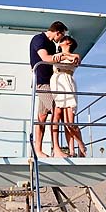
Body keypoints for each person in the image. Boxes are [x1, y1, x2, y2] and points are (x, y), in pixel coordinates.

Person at [29, 21, 69, 158]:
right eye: (62, 36)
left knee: (42, 116)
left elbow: (55, 61)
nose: (61, 39)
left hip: (50, 83)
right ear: (57, 32)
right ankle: (56, 149)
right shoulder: (39, 39)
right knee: (57, 110)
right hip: (41, 83)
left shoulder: (53, 45)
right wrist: (61, 57)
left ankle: (38, 150)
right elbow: (45, 58)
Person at [51, 35, 85, 157]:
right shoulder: (56, 54)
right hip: (57, 84)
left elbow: (75, 60)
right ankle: (71, 151)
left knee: (69, 122)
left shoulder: (75, 56)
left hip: (68, 84)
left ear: (68, 43)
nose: (60, 41)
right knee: (57, 117)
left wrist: (65, 56)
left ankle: (81, 145)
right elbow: (52, 60)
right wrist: (62, 56)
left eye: (63, 40)